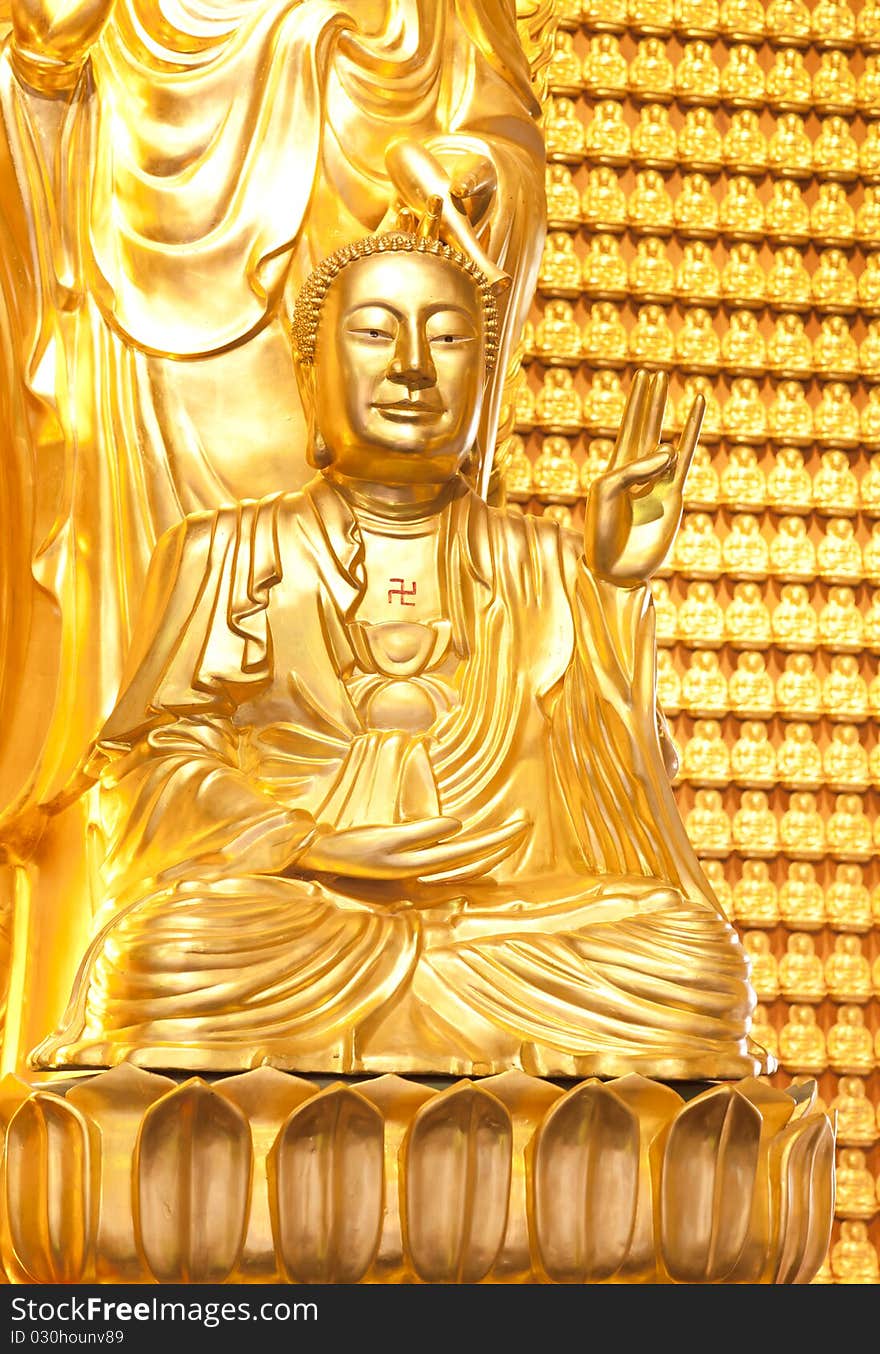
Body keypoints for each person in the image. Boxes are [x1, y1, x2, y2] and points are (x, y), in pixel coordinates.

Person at [34, 215, 761, 1079]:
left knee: (691, 961)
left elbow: (613, 800)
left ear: (485, 382)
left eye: (449, 339)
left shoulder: (543, 560)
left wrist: (615, 589)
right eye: (375, 332)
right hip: (298, 920)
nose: (412, 365)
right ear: (311, 375)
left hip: (505, 927)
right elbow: (149, 769)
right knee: (171, 951)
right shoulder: (222, 550)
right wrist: (308, 843)